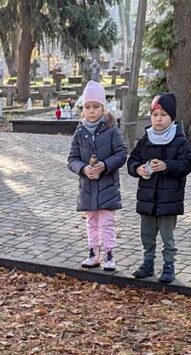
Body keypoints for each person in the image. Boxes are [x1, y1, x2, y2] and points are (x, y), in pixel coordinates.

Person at [126, 92, 191, 284]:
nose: (158, 119)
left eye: (163, 115)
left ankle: (168, 265)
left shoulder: (179, 139)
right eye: (155, 114)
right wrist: (137, 168)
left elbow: (187, 164)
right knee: (147, 235)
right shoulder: (146, 138)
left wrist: (167, 166)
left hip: (169, 199)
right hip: (147, 197)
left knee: (167, 236)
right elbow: (132, 160)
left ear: (172, 117)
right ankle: (148, 263)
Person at [68, 80, 128, 272]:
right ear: (83, 109)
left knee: (107, 222)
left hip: (107, 186)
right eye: (87, 107)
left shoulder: (111, 129)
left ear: (103, 107)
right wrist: (83, 169)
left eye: (95, 106)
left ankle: (109, 254)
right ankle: (93, 253)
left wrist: (105, 165)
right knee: (91, 222)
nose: (91, 111)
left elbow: (121, 154)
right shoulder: (80, 132)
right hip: (87, 187)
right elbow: (72, 159)